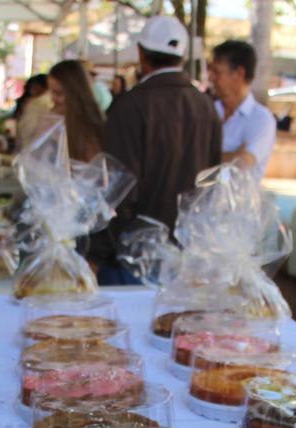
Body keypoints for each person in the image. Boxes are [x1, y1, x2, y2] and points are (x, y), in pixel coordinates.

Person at [93, 15, 223, 284]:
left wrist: (97, 253)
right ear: (182, 57)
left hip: (131, 259)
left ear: (141, 54)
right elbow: (211, 182)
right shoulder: (206, 106)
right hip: (186, 256)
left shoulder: (130, 106)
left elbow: (118, 190)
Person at [208, 39, 277, 181]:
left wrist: (204, 157)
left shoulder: (261, 120)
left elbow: (242, 164)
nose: (211, 78)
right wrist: (231, 155)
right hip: (198, 202)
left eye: (217, 72)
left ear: (239, 73)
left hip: (239, 203)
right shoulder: (207, 111)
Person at [47, 59, 104, 162]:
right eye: (52, 92)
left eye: (58, 93)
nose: (53, 99)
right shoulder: (54, 119)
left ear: (75, 92)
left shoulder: (90, 129)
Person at [14, 73, 53, 151]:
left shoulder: (37, 104)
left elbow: (27, 131)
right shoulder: (40, 103)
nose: (32, 90)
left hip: (31, 150)